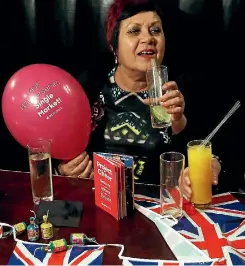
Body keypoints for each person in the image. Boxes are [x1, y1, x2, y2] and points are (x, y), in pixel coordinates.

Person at [57, 0, 189, 183]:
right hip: (96, 199)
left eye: (156, 30)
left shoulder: (179, 90)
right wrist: (64, 169)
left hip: (158, 205)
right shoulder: (89, 88)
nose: (148, 38)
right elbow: (56, 150)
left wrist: (180, 123)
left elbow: (202, 157)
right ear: (114, 47)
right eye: (134, 31)